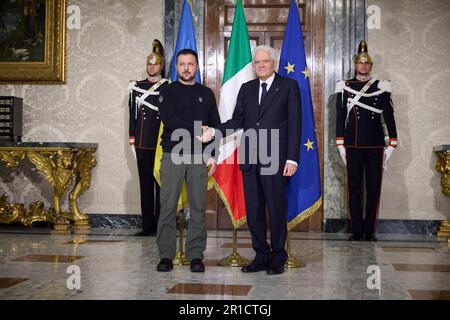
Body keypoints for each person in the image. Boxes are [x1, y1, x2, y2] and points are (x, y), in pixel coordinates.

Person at [199, 45, 301, 275]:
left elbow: (296, 125)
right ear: (253, 66)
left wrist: (292, 159)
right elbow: (237, 121)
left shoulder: (288, 86)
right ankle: (261, 255)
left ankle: (277, 257)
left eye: (265, 61)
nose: (261, 65)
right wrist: (214, 132)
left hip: (275, 158)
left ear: (273, 63)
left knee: (275, 209)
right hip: (250, 157)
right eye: (257, 62)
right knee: (254, 210)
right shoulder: (246, 88)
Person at [155, 49, 220, 273]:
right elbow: (171, 120)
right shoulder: (167, 91)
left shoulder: (207, 93)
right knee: (168, 207)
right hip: (173, 154)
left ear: (197, 67)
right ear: (176, 68)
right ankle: (165, 255)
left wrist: (212, 153)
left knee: (198, 208)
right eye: (182, 64)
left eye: (190, 64)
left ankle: (195, 256)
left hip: (199, 157)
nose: (186, 68)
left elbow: (215, 126)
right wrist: (196, 130)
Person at [334, 41, 397, 242]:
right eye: (360, 63)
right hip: (352, 142)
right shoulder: (345, 86)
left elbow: (389, 115)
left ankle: (369, 229)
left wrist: (393, 140)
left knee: (373, 187)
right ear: (355, 65)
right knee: (353, 187)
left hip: (376, 143)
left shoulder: (381, 87)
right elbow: (340, 114)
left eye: (367, 63)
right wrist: (339, 141)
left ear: (371, 66)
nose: (363, 66)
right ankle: (356, 229)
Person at [128, 39, 168, 237]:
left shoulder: (169, 86)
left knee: (162, 186)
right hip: (143, 142)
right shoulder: (136, 87)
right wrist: (132, 139)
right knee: (145, 185)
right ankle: (147, 226)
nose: (152, 67)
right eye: (149, 64)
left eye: (155, 64)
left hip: (162, 143)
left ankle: (161, 225)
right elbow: (132, 115)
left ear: (162, 65)